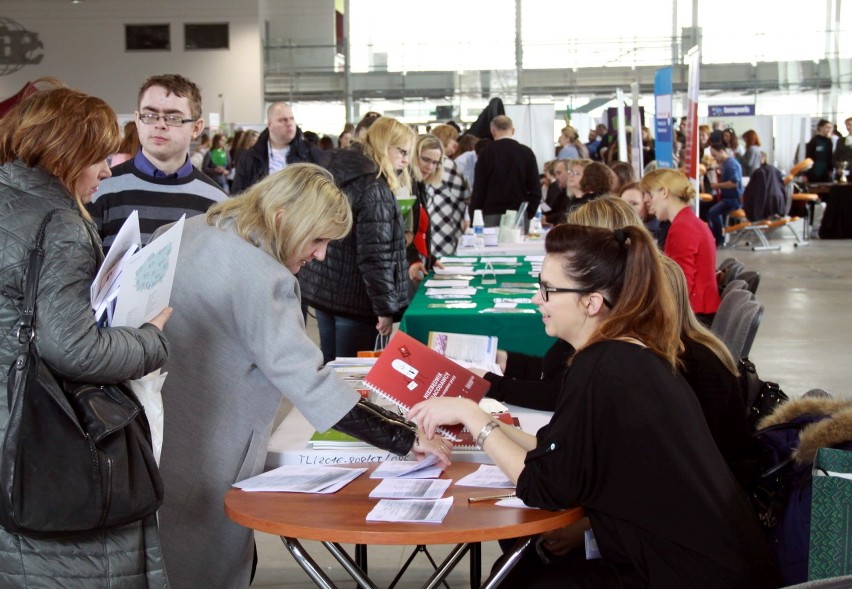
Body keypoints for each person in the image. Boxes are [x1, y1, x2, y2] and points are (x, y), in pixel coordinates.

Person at [409, 223, 779, 588]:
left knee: (525, 576)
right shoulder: (623, 351)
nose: (538, 299)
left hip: (684, 573)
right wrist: (479, 419)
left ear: (592, 302)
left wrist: (471, 414)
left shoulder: (601, 367)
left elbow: (543, 485)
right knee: (521, 568)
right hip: (709, 562)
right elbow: (555, 452)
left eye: (548, 290)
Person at [152, 163, 449, 589]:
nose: (322, 254)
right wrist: (405, 436)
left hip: (156, 432)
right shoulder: (263, 277)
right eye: (318, 239)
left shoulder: (188, 230)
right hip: (210, 447)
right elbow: (310, 385)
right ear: (282, 218)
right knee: (207, 563)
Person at [0, 83, 172, 587]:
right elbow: (73, 348)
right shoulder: (59, 224)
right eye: (98, 156)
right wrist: (151, 337)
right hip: (53, 434)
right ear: (64, 152)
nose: (107, 169)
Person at [298, 116, 414, 363]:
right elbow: (375, 256)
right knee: (353, 378)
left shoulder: (336, 169)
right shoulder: (374, 187)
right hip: (356, 299)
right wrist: (385, 308)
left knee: (330, 366)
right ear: (385, 145)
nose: (405, 160)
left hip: (326, 290)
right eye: (402, 151)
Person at [86, 74, 226, 251]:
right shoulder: (99, 190)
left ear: (196, 128)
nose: (160, 125)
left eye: (173, 118)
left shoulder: (217, 203)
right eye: (150, 115)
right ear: (137, 120)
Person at [659, 256, 758, 490]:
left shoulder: (694, 365)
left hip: (720, 496)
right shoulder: (686, 349)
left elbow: (696, 457)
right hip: (711, 487)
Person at [641, 168, 721, 323]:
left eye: (650, 195)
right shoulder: (688, 222)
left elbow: (681, 284)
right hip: (699, 311)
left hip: (695, 316)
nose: (647, 201)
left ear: (664, 192)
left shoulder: (682, 227)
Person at [230, 102, 323, 193]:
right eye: (282, 120)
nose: (289, 123)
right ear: (270, 124)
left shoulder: (311, 153)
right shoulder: (249, 158)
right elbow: (238, 195)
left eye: (292, 118)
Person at [470, 115, 539, 229]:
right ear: (513, 130)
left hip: (491, 213)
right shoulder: (526, 153)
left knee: (491, 246)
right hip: (519, 214)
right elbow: (535, 188)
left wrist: (475, 216)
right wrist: (529, 213)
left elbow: (479, 189)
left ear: (493, 131)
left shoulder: (486, 153)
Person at [427, 124, 470, 257]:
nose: (456, 144)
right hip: (446, 223)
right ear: (445, 139)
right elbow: (464, 193)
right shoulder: (446, 164)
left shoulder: (432, 162)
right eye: (454, 140)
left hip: (433, 221)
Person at [407, 134, 445, 286]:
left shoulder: (419, 185)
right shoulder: (406, 186)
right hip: (409, 267)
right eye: (426, 159)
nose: (430, 167)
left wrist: (430, 258)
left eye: (435, 162)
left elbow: (419, 231)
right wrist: (413, 258)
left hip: (418, 263)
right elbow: (401, 231)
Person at [708, 142, 744, 247]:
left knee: (713, 212)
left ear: (721, 152)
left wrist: (718, 185)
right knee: (709, 208)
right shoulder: (727, 164)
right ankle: (716, 235)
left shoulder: (731, 164)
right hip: (728, 197)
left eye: (715, 155)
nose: (714, 158)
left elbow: (734, 183)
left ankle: (719, 238)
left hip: (733, 200)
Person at [805, 118, 834, 183]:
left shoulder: (829, 141)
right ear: (820, 127)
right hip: (814, 171)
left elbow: (830, 157)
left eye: (830, 128)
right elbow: (808, 157)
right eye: (827, 127)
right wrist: (806, 174)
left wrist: (830, 170)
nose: (829, 130)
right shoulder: (814, 141)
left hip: (825, 172)